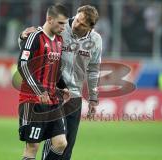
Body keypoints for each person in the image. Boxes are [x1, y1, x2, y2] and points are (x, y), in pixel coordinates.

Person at [19, 5, 102, 160]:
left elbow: (93, 71)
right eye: (77, 19)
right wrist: (22, 37)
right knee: (51, 143)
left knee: (66, 148)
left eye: (83, 24)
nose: (76, 24)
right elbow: (35, 44)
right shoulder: (61, 27)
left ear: (91, 27)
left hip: (74, 96)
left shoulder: (96, 40)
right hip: (53, 93)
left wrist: (93, 98)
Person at [17, 4, 70, 160]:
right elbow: (22, 65)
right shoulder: (34, 37)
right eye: (60, 23)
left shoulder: (59, 40)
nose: (63, 27)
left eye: (65, 24)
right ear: (49, 19)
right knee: (32, 146)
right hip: (32, 101)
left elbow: (55, 70)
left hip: (53, 100)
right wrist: (39, 90)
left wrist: (63, 86)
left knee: (61, 143)